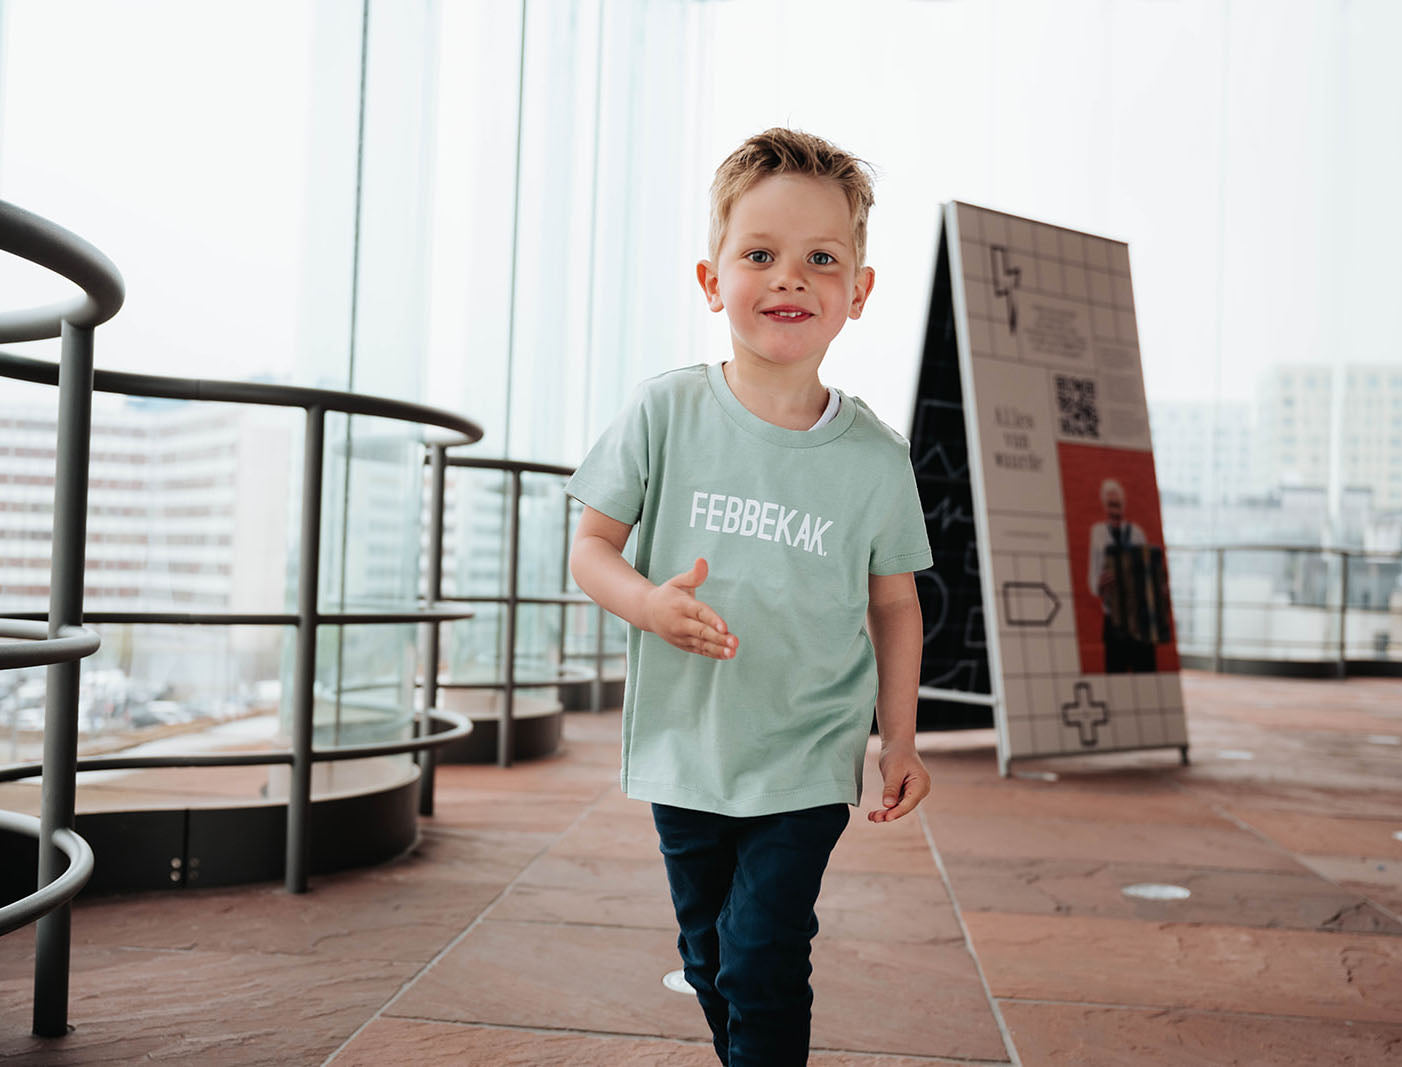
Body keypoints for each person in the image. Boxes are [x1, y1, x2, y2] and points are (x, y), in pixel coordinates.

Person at [565, 128, 932, 1066]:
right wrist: (646, 603)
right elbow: (593, 548)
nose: (790, 279)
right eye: (760, 254)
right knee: (713, 954)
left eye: (821, 259)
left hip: (808, 754)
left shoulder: (875, 458)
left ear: (860, 290)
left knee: (766, 949)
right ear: (711, 276)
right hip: (686, 746)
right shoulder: (665, 412)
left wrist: (898, 737)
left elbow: (894, 604)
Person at [1087, 477, 1156, 673]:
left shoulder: (1137, 533)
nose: (1114, 508)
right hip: (1114, 617)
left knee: (1144, 672)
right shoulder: (1098, 533)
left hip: (1138, 618)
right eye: (1110, 504)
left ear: (1123, 505)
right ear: (1104, 506)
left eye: (1117, 503)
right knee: (1115, 672)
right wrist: (1101, 585)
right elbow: (1093, 578)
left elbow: (1149, 571)